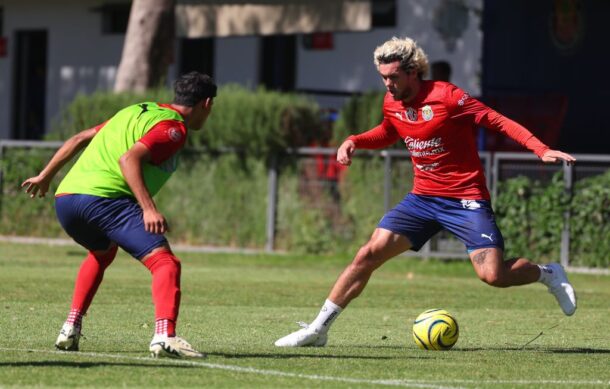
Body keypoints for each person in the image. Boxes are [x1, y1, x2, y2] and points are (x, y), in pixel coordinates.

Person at [274, 37, 577, 348]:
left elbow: (496, 120)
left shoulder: (448, 97)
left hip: (465, 199)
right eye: (383, 77)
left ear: (413, 71)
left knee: (493, 275)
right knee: (366, 255)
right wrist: (355, 140)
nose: (387, 84)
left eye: (393, 77)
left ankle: (547, 274)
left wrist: (540, 149)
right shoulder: (392, 102)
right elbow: (388, 132)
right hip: (422, 199)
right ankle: (318, 330)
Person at [21, 71, 217, 358]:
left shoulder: (138, 111)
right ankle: (164, 336)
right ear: (207, 103)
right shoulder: (173, 128)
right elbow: (130, 159)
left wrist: (45, 176)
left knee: (101, 253)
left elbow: (80, 137)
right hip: (104, 200)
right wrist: (149, 209)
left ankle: (70, 327)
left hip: (66, 200)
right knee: (165, 263)